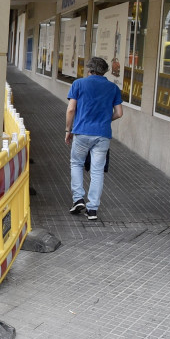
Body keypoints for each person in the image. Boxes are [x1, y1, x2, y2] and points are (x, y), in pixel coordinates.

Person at [65, 56, 123, 220]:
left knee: (76, 163)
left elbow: (71, 110)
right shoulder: (113, 88)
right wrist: (105, 120)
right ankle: (92, 209)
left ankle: (78, 199)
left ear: (89, 70)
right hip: (102, 134)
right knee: (97, 171)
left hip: (82, 132)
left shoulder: (78, 84)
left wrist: (68, 130)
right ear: (104, 71)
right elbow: (119, 113)